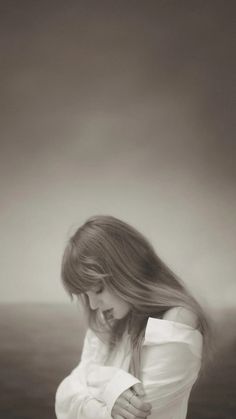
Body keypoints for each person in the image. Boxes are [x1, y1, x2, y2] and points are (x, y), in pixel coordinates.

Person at [55, 215, 211, 419]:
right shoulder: (106, 321)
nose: (93, 305)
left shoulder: (176, 321)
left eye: (99, 290)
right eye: (86, 295)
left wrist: (90, 386)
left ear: (126, 272)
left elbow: (140, 412)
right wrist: (112, 386)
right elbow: (62, 397)